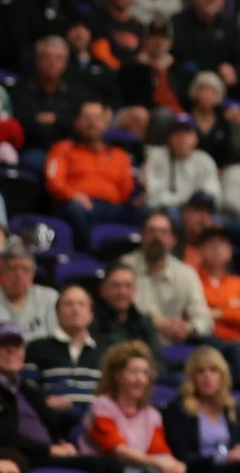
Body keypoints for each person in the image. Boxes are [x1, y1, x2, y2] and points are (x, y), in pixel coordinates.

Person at [0, 321, 86, 467]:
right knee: (100, 467)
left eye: (16, 346)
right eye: (4, 345)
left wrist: (63, 443)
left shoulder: (28, 389)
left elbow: (52, 427)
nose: (11, 351)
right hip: (13, 458)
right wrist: (48, 449)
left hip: (46, 454)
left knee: (106, 464)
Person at [45, 100, 139, 251]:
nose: (92, 122)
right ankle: (89, 255)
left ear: (106, 123)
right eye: (86, 117)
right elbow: (53, 182)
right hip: (79, 205)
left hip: (113, 209)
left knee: (146, 212)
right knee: (74, 210)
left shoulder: (120, 155)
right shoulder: (63, 149)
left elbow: (126, 192)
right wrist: (72, 195)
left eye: (97, 117)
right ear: (76, 122)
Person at [81, 340, 185, 472]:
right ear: (117, 375)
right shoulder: (102, 407)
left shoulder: (152, 415)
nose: (140, 379)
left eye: (145, 373)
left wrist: (175, 465)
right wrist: (156, 462)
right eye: (133, 372)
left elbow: (160, 452)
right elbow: (119, 453)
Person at [119, 214, 213, 350]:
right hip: (133, 342)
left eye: (163, 232)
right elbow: (117, 314)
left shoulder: (186, 274)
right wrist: (153, 324)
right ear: (142, 236)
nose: (157, 237)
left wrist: (188, 328)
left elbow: (204, 318)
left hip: (174, 343)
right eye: (152, 231)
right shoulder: (124, 267)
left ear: (173, 239)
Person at [162, 346, 240, 470]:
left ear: (222, 375)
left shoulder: (235, 410)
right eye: (200, 371)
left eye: (213, 370)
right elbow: (182, 456)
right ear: (192, 377)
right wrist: (223, 459)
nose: (207, 377)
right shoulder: (179, 410)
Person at [27, 285, 104, 433]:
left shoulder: (105, 351)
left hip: (96, 426)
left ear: (91, 314)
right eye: (69, 304)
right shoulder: (37, 348)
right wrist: (44, 401)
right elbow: (27, 388)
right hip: (52, 422)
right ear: (57, 313)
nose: (76, 309)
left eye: (82, 304)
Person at [146, 116, 222, 216]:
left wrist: (193, 205)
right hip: (164, 210)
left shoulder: (204, 160)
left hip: (195, 211)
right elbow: (153, 196)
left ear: (196, 139)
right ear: (169, 138)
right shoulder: (157, 156)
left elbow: (213, 194)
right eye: (177, 133)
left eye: (187, 132)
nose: (182, 137)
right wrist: (184, 203)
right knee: (171, 213)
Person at [0, 243, 59, 342]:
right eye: (12, 269)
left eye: (25, 269)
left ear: (33, 274)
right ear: (1, 272)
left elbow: (57, 339)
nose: (19, 275)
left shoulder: (50, 298)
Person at [93, 265, 161, 349]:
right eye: (116, 286)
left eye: (128, 286)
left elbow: (157, 359)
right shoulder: (91, 323)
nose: (122, 292)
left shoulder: (144, 324)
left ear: (135, 289)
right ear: (102, 290)